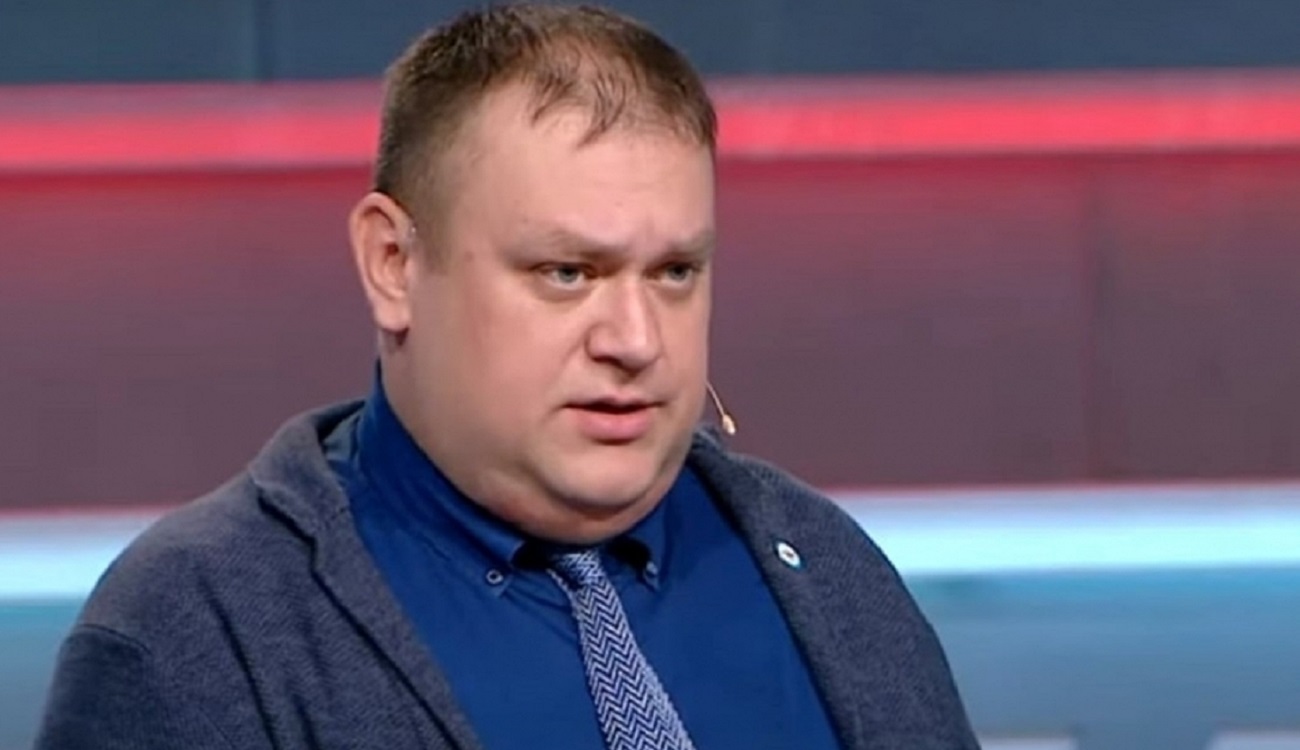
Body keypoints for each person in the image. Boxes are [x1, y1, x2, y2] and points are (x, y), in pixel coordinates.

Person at [35, 4, 978, 749]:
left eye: (674, 272)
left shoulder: (829, 574)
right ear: (393, 264)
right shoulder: (195, 638)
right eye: (567, 273)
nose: (636, 340)